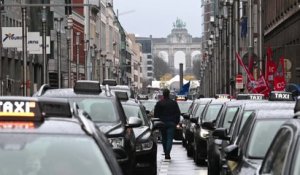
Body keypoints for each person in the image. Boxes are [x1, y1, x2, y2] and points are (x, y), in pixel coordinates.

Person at [154, 89, 181, 160]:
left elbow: (156, 114)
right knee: (169, 138)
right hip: (171, 123)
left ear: (163, 94)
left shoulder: (159, 103)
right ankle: (167, 153)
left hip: (162, 123)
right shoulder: (173, 103)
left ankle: (166, 151)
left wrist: (157, 122)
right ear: (169, 94)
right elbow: (178, 113)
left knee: (164, 138)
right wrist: (176, 122)